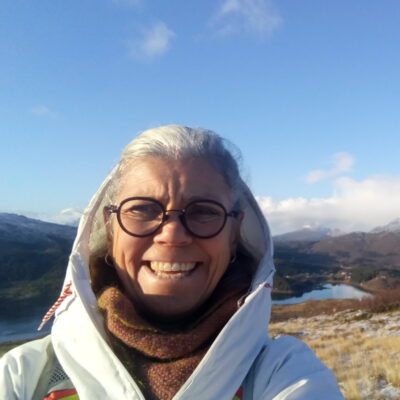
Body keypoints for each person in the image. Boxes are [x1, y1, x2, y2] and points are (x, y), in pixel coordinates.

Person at [0, 125, 344, 400]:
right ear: (110, 225)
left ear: (235, 230)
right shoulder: (25, 377)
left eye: (204, 211)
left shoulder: (281, 374)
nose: (173, 235)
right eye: (144, 209)